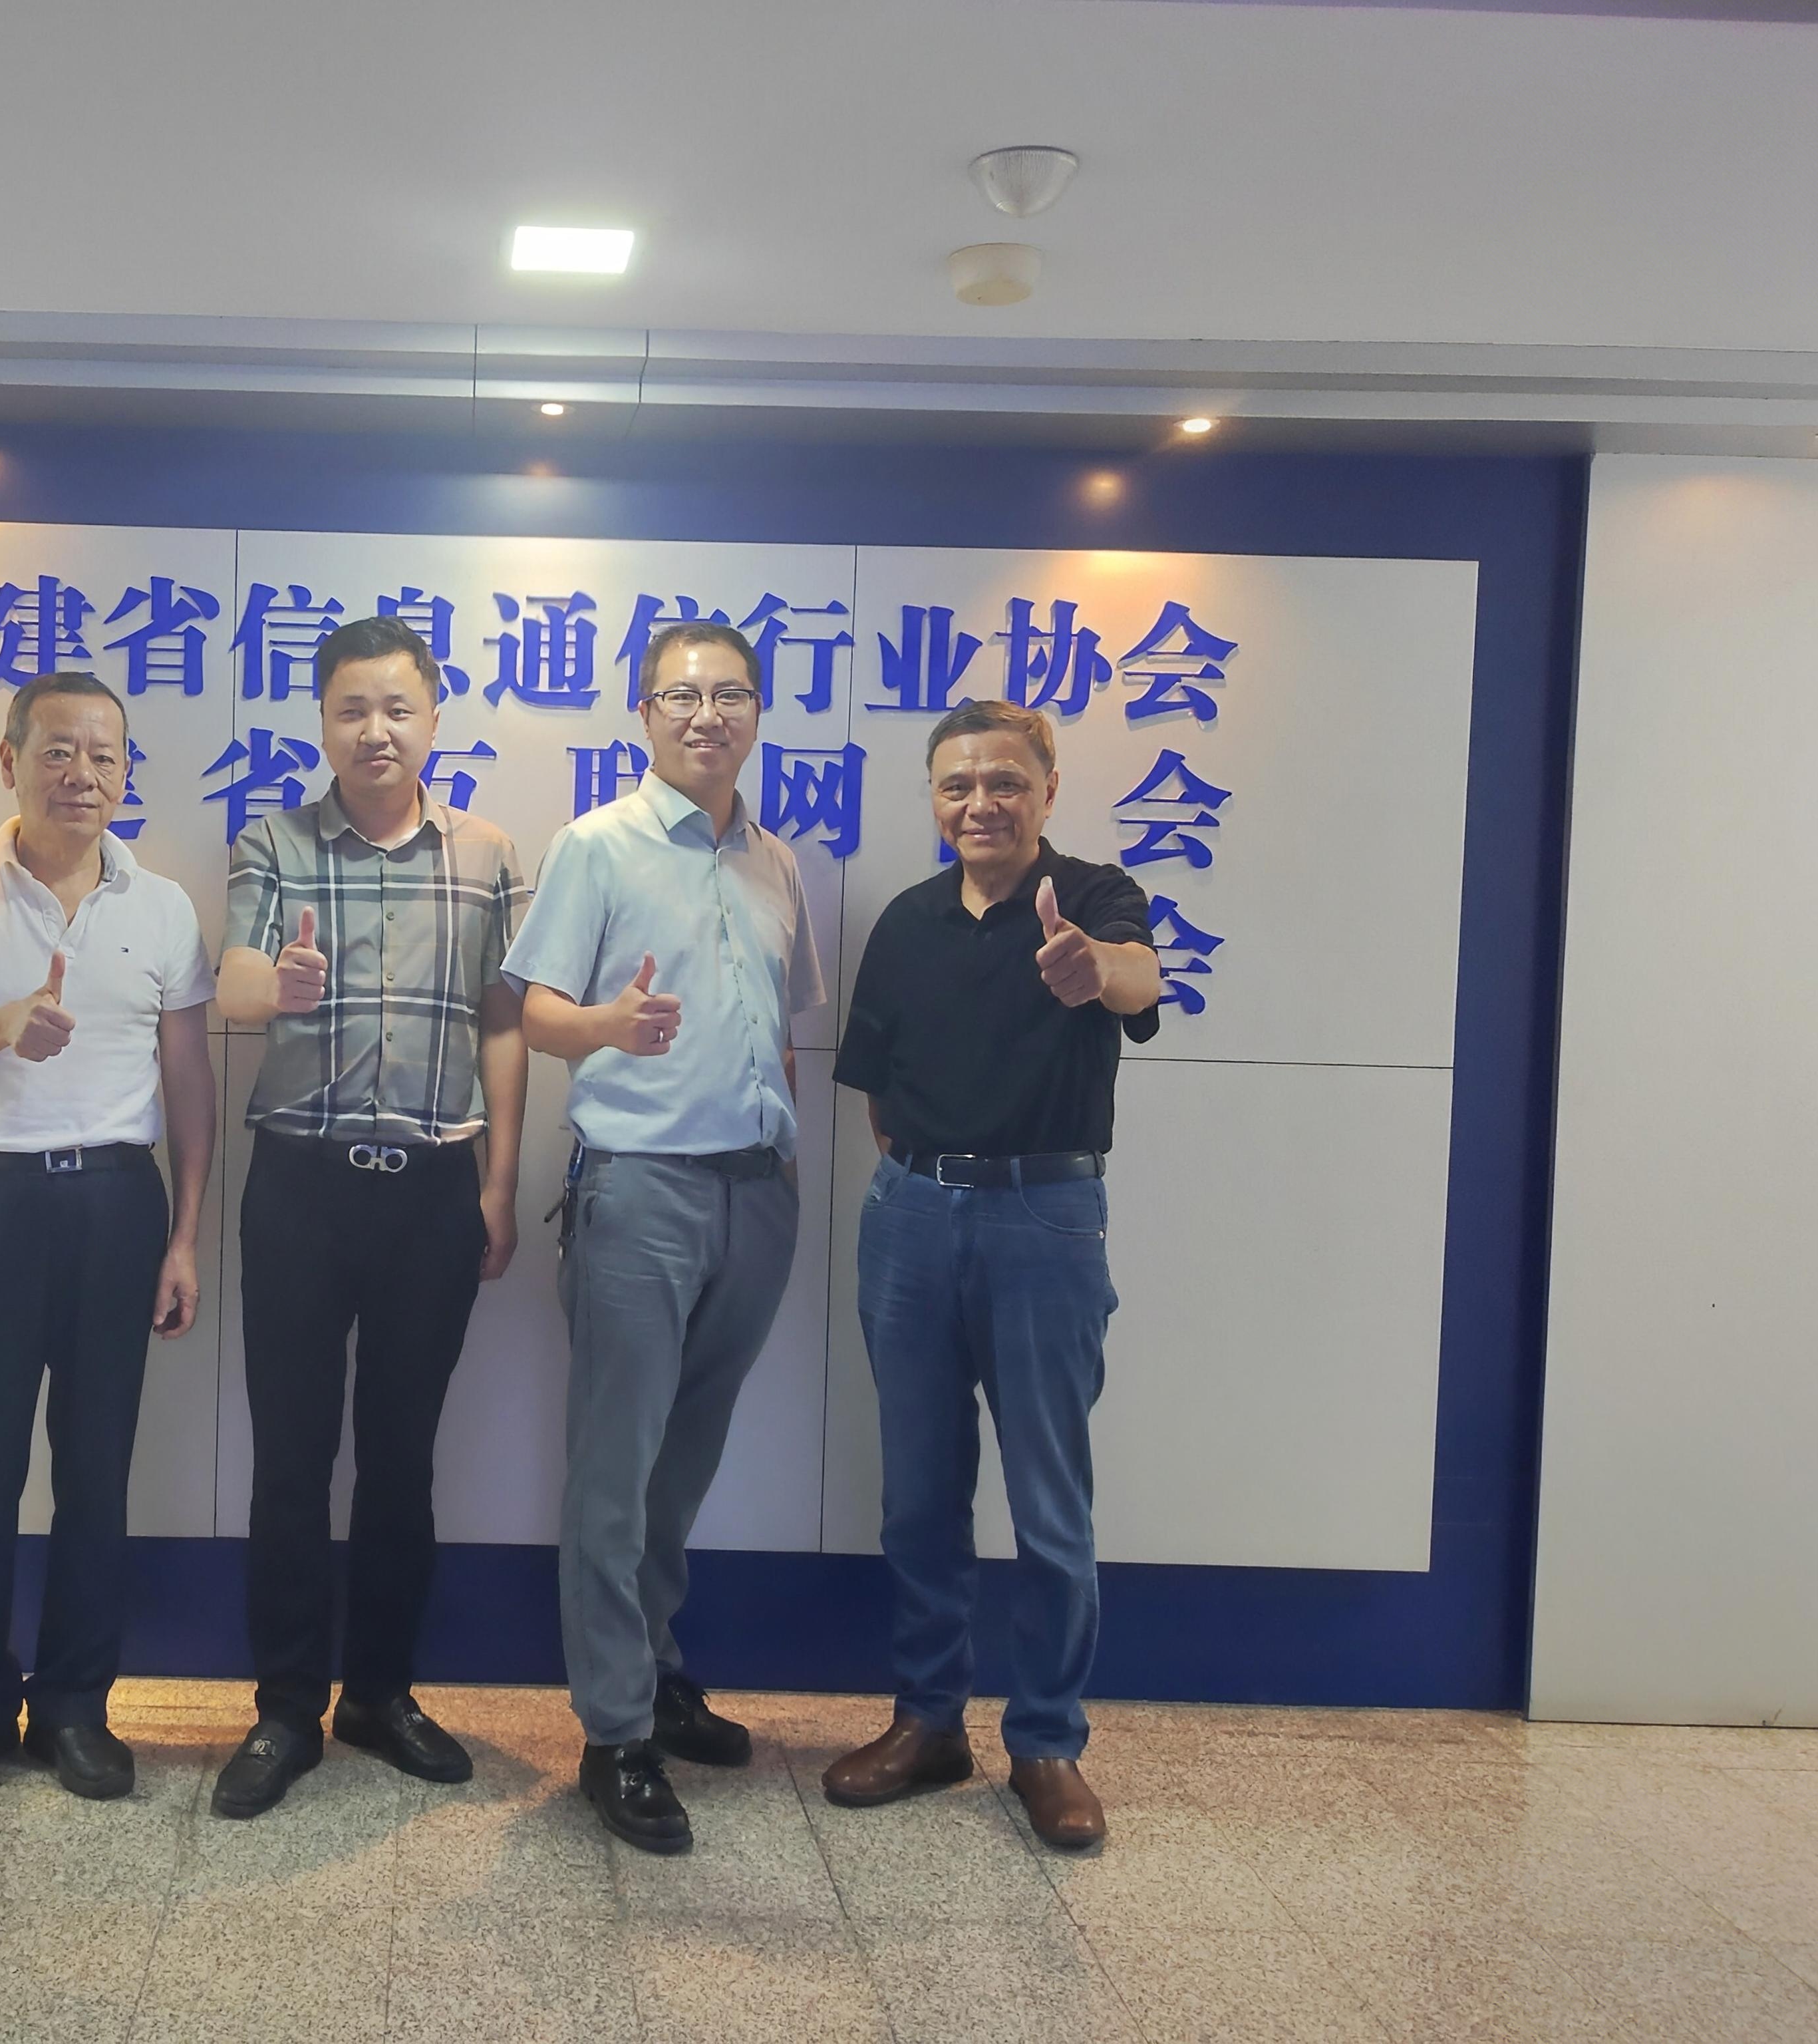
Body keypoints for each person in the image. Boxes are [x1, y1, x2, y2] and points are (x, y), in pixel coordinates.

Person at [501, 620, 824, 1856]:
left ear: (757, 714)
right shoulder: (598, 844)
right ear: (644, 713)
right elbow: (531, 1013)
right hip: (639, 1193)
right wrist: (607, 1028)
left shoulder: (776, 862)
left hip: (755, 1194)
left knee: (683, 1461)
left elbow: (782, 1029)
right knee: (615, 1467)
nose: (707, 716)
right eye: (682, 696)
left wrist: (781, 1156)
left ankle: (656, 1670)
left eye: (731, 695)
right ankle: (616, 1732)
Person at [819, 696, 1161, 1851]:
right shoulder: (908, 922)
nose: (982, 804)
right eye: (958, 785)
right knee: (920, 1495)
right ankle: (928, 1723)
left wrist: (1092, 969)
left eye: (1006, 782)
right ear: (935, 798)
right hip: (912, 1215)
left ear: (1047, 791)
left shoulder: (1094, 897)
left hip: (1045, 1217)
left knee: (1050, 1499)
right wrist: (929, 1181)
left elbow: (1140, 978)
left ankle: (1048, 1743)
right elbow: (878, 1091)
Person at [207, 615, 529, 1820]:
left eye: (398, 708)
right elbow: (235, 981)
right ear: (323, 723)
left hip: (436, 1188)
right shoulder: (273, 840)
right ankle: (287, 1708)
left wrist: (498, 1184)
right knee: (290, 1458)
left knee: (403, 1457)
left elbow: (504, 1021)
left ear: (435, 719)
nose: (375, 730)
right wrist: (277, 983)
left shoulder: (487, 853)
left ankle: (381, 1695)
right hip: (299, 1186)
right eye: (352, 709)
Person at [0, 670, 217, 1806]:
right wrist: (4, 1024)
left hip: (116, 1206)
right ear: (10, 761)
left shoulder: (161, 906)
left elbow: (189, 1079)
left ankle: (75, 1707)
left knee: (97, 1470)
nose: (83, 774)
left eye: (104, 756)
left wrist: (185, 1236)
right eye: (59, 751)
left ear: (125, 773)